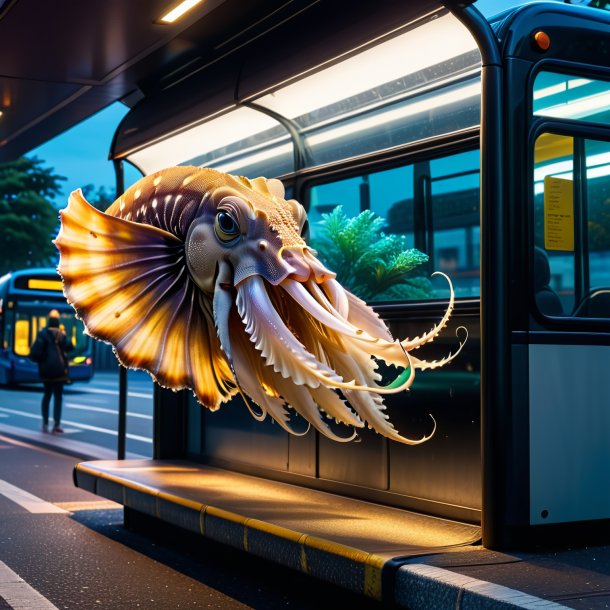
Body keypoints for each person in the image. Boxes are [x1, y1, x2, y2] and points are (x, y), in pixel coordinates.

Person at [30, 309, 74, 434]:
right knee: (58, 397)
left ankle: (44, 424)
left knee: (47, 395)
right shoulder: (61, 334)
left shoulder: (42, 333)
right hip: (59, 371)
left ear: (49, 323)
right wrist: (64, 335)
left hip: (46, 370)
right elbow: (70, 347)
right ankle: (56, 424)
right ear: (58, 323)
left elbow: (35, 352)